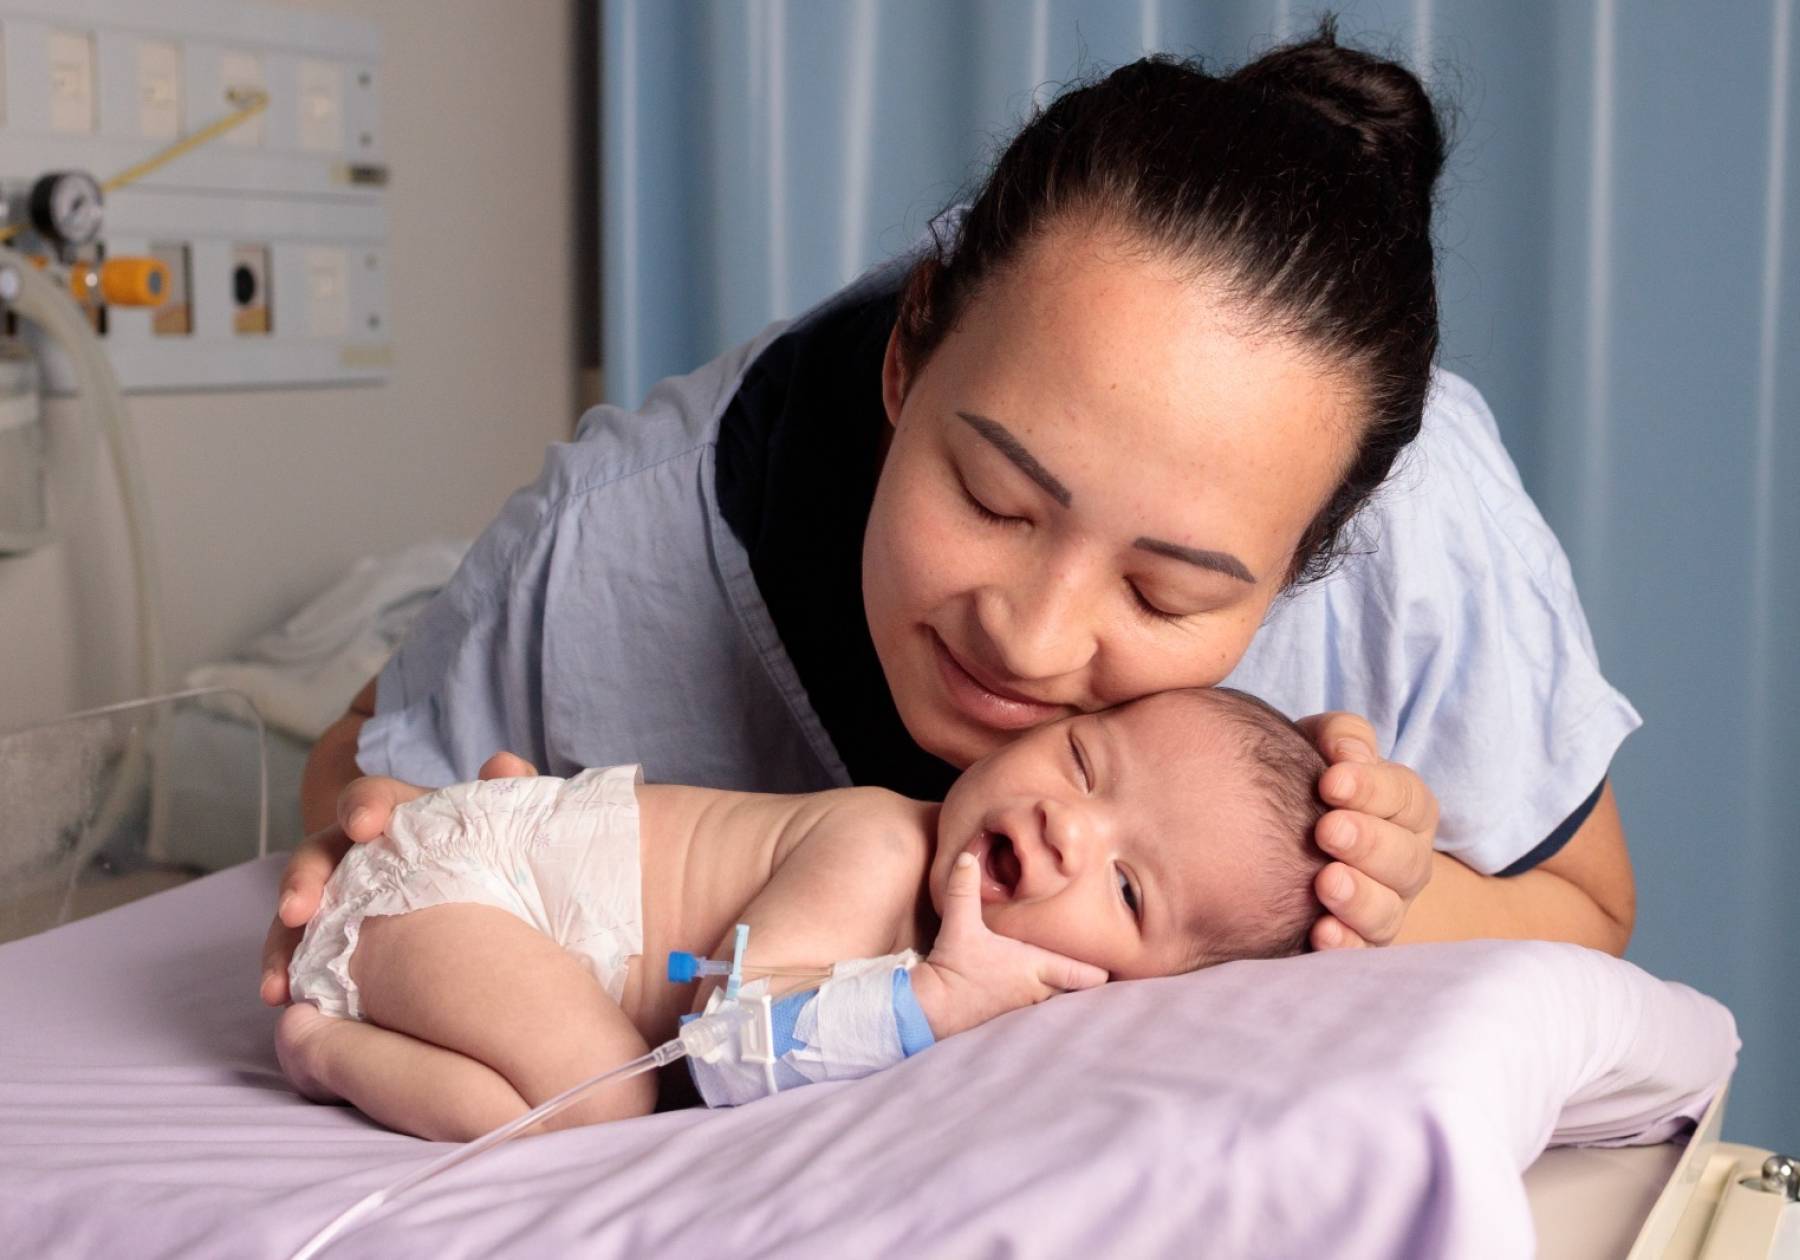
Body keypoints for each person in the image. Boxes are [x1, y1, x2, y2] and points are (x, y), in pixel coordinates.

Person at [262, 24, 1640, 1018]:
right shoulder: (613, 543)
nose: (1031, 641)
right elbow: (360, 757)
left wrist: (1377, 895)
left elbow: (1588, 915)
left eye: (1165, 596)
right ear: (913, 349)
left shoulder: (1420, 513)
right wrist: (355, 840)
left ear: (1317, 556)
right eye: (994, 499)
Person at [277, 688, 1328, 1140]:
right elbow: (725, 1051)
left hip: (511, 916)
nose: (1070, 830)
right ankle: (325, 1047)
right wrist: (933, 998)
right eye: (1087, 762)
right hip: (458, 889)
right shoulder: (879, 848)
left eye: (1129, 887)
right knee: (599, 1102)